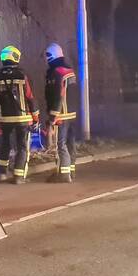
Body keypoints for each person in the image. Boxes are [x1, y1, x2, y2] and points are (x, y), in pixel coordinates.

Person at [0, 45, 39, 183]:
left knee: (4, 145)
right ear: (16, 57)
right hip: (23, 118)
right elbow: (30, 97)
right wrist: (35, 117)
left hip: (4, 119)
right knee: (22, 146)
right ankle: (18, 176)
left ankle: (1, 173)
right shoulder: (23, 76)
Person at [44, 43, 80, 182]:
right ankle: (70, 170)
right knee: (71, 142)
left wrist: (52, 116)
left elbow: (57, 95)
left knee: (61, 144)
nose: (46, 59)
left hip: (61, 114)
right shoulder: (70, 71)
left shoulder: (56, 73)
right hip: (72, 114)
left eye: (47, 56)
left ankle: (64, 174)